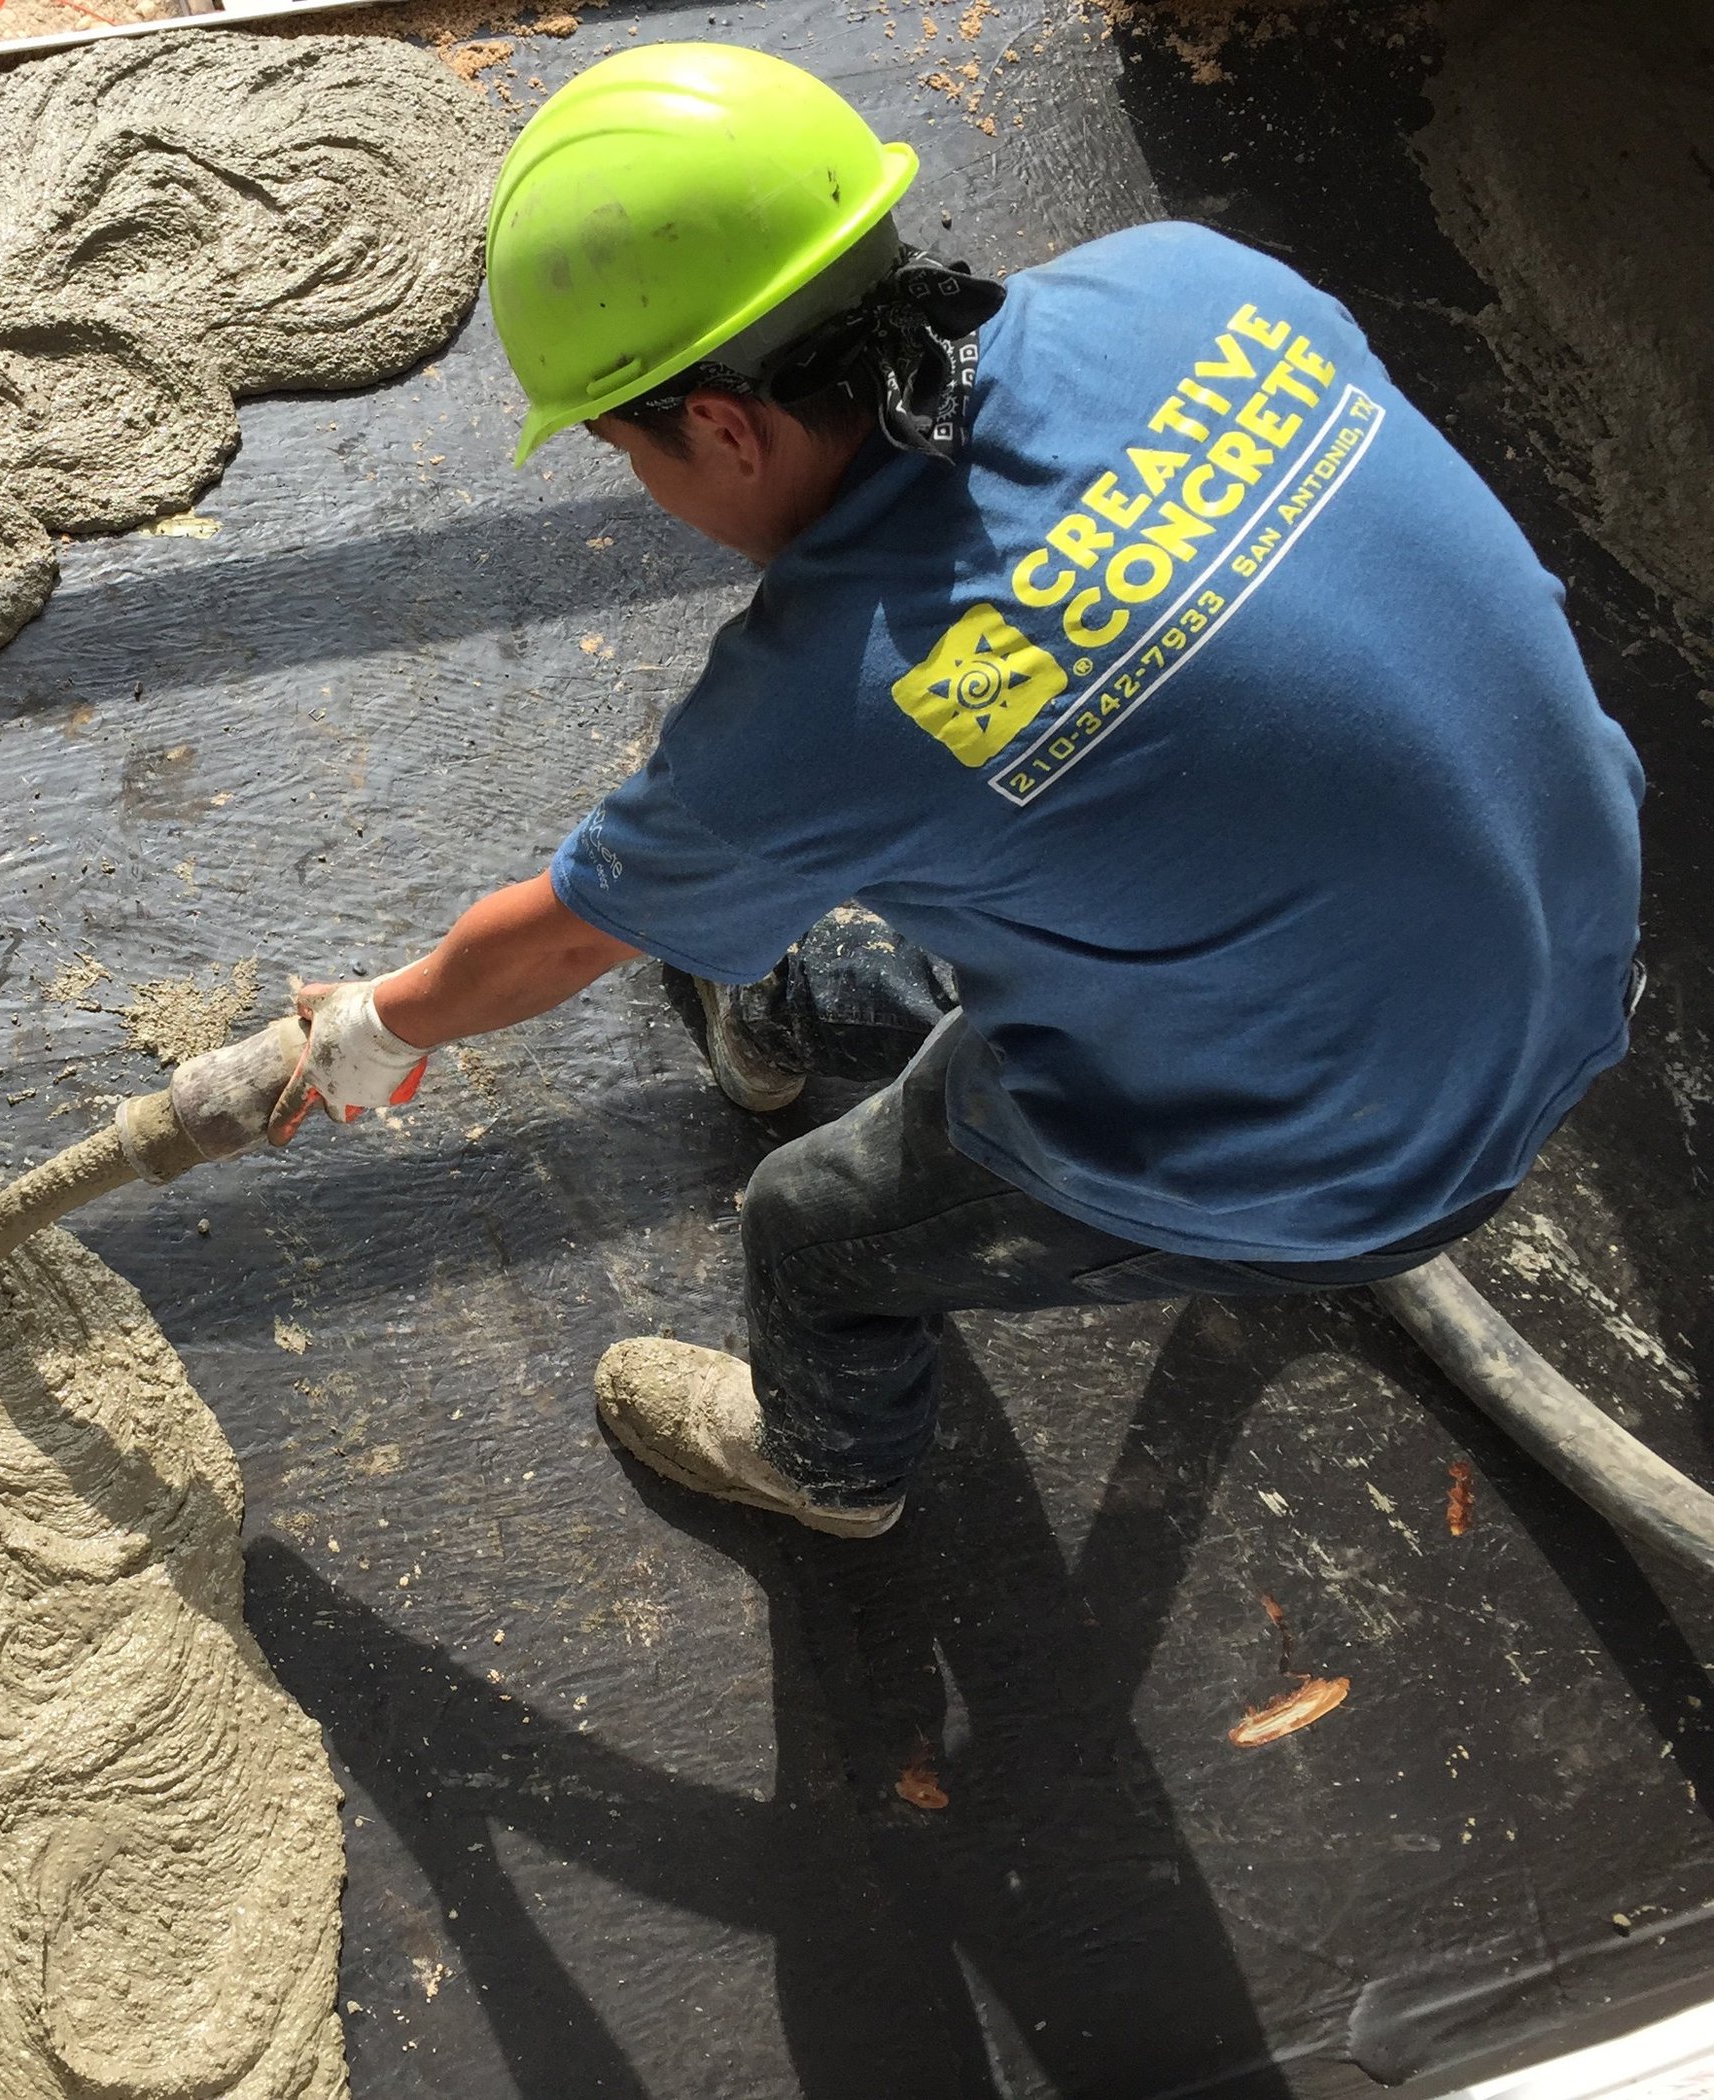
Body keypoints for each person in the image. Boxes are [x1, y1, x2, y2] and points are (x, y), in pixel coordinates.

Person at [286, 43, 1645, 1538]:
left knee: (813, 1226)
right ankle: (782, 1015)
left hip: (1349, 1156)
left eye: (625, 448)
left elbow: (549, 939)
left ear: (725, 426)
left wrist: (373, 1026)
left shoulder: (822, 716)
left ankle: (829, 1467)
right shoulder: (1188, 282)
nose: (642, 486)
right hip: (1568, 927)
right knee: (957, 863)